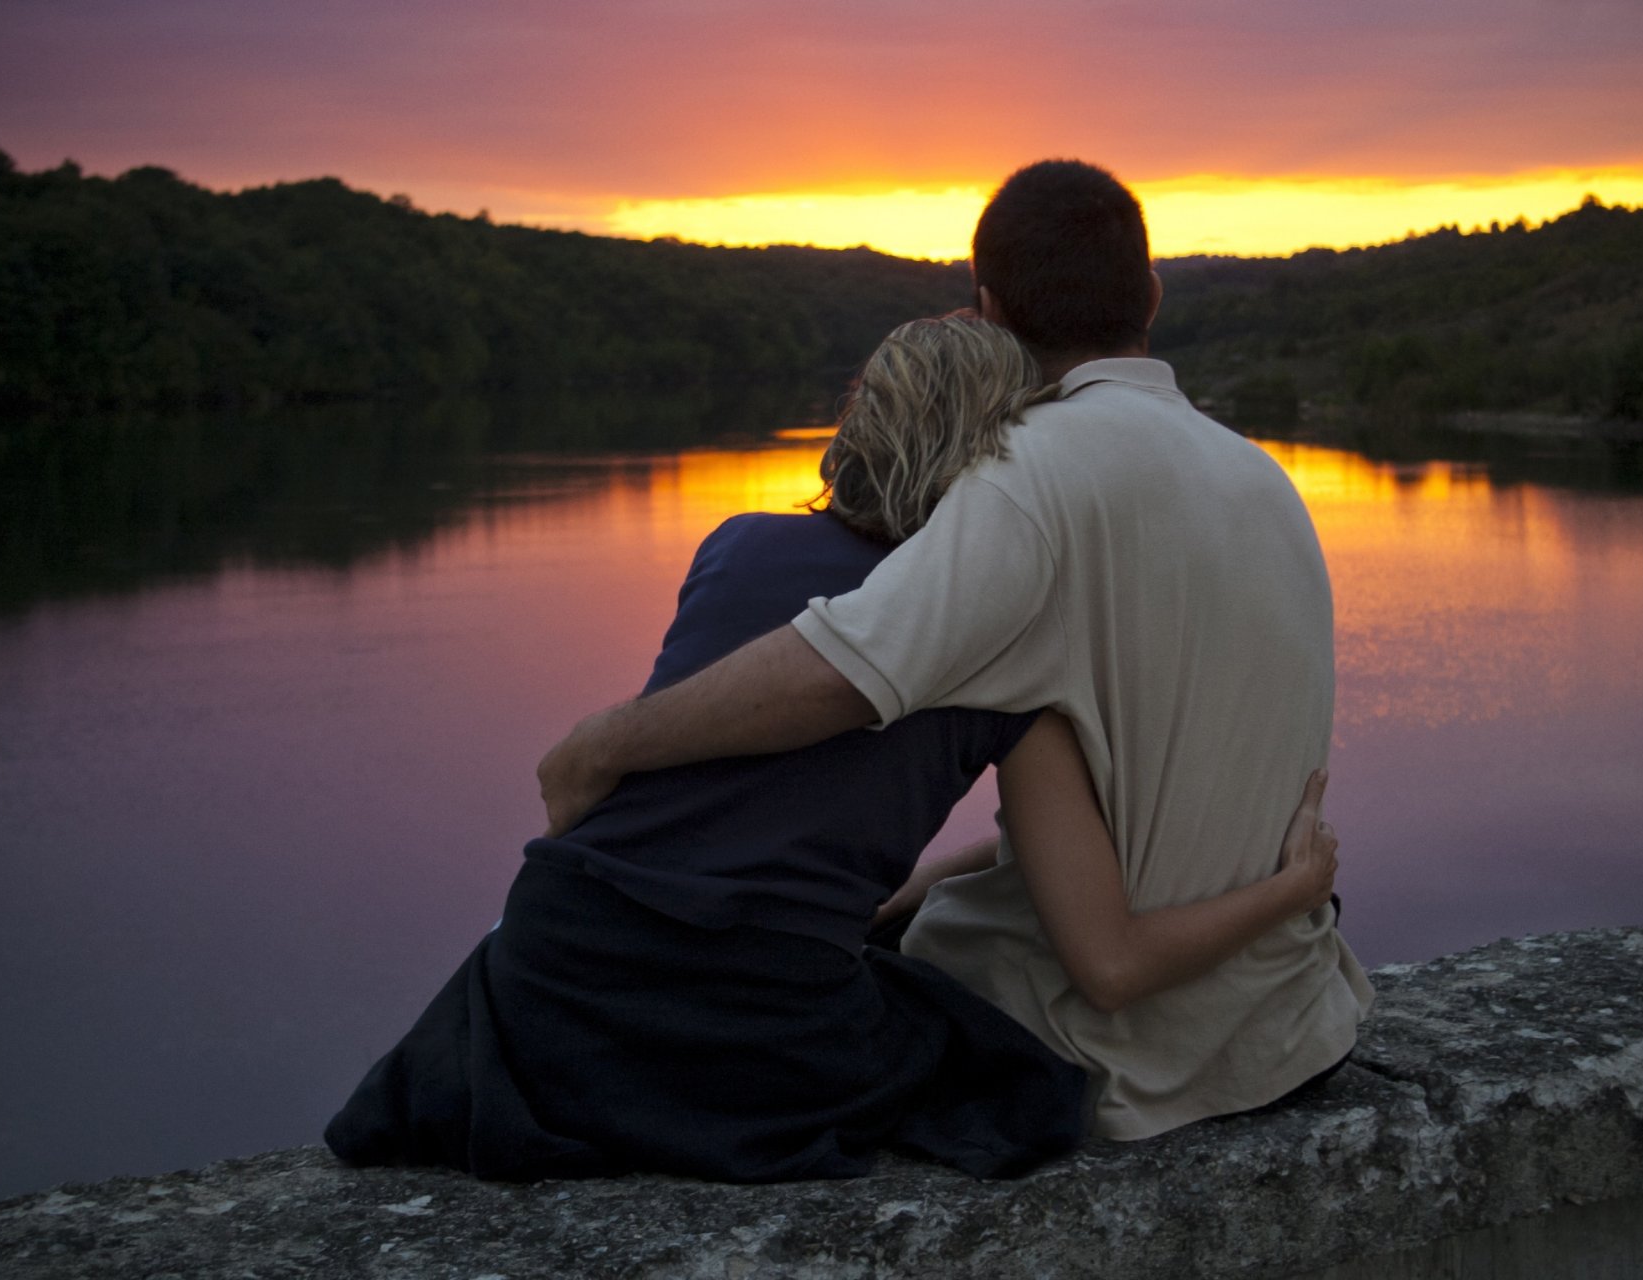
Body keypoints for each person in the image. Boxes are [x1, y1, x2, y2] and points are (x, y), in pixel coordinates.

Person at [326, 314, 1342, 1183]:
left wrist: (891, 898)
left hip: (551, 964)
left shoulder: (733, 543)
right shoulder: (1002, 641)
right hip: (749, 1015)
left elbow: (745, 807)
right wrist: (1291, 886)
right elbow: (1108, 957)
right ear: (1004, 454)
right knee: (1012, 1075)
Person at [536, 160, 1374, 1140]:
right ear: (1150, 294)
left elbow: (840, 668)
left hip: (1122, 1056)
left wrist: (605, 744)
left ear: (985, 308)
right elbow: (1121, 815)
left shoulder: (1028, 478)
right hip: (1290, 1026)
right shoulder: (1264, 480)